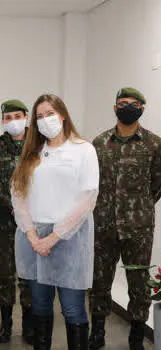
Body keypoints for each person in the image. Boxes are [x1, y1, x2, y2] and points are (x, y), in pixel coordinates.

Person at [11, 94, 99, 349]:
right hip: (35, 241)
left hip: (70, 240)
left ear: (62, 115)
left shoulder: (83, 150)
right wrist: (32, 236)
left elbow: (87, 198)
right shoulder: (32, 154)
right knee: (39, 306)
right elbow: (18, 196)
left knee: (73, 310)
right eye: (39, 116)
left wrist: (55, 236)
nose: (45, 120)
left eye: (49, 113)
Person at [89, 87, 161, 350]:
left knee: (138, 284)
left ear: (142, 107)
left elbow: (156, 183)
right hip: (104, 226)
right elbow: (92, 183)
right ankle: (97, 333)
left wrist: (137, 208)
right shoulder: (99, 143)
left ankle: (135, 337)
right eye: (122, 103)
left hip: (138, 230)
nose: (127, 107)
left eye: (133, 103)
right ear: (114, 107)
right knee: (100, 281)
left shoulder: (154, 145)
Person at [0, 99, 32, 344]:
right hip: (6, 221)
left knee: (29, 276)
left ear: (26, 116)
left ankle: (29, 325)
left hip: (33, 223)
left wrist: (28, 208)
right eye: (8, 117)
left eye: (17, 116)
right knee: (4, 275)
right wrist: (13, 205)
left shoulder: (38, 145)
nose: (13, 121)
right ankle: (6, 324)